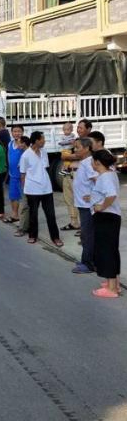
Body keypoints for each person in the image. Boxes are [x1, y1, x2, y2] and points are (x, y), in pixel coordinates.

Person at [87, 150, 122, 298]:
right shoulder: (109, 173)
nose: (91, 163)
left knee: (106, 251)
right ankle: (113, 283)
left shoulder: (105, 177)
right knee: (111, 250)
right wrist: (93, 197)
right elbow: (105, 193)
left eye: (92, 160)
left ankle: (112, 288)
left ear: (97, 162)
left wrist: (101, 207)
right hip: (109, 217)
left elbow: (111, 194)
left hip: (106, 217)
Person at [20, 131, 63, 247]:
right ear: (36, 141)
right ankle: (32, 235)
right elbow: (22, 174)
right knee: (33, 214)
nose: (44, 141)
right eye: (43, 139)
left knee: (51, 214)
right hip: (32, 190)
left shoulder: (44, 152)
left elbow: (45, 168)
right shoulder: (25, 155)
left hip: (46, 189)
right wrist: (25, 189)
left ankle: (55, 237)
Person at [72, 138, 96, 274]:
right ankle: (87, 260)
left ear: (87, 148)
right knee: (85, 235)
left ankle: (88, 264)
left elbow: (98, 180)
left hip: (88, 206)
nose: (75, 150)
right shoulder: (84, 162)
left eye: (78, 147)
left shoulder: (89, 163)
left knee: (88, 235)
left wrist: (95, 196)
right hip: (82, 204)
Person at [59, 122, 80, 232]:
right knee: (68, 199)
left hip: (76, 173)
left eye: (81, 127)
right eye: (78, 128)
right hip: (68, 172)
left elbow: (80, 155)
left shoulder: (80, 142)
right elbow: (63, 156)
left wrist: (68, 156)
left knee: (79, 199)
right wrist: (67, 156)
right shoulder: (70, 140)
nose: (79, 129)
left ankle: (83, 225)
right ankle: (74, 222)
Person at [4, 125, 24, 223]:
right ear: (11, 133)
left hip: (22, 176)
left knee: (24, 198)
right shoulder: (10, 144)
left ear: (22, 132)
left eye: (19, 131)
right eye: (14, 131)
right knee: (13, 196)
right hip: (12, 175)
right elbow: (8, 156)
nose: (17, 133)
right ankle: (15, 215)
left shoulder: (24, 145)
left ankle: (24, 218)